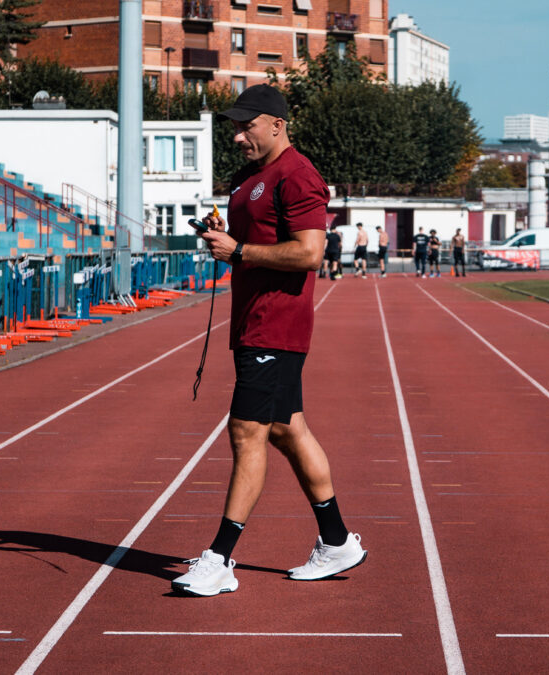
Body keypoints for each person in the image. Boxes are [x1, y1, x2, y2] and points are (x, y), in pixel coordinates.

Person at [172, 83, 366, 597]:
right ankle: (337, 539)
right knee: (285, 430)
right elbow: (253, 237)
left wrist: (237, 252)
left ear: (277, 124)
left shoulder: (298, 175)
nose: (237, 136)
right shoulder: (250, 177)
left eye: (246, 126)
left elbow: (308, 254)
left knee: (245, 432)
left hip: (275, 325)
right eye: (234, 127)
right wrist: (222, 232)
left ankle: (220, 558)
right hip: (251, 320)